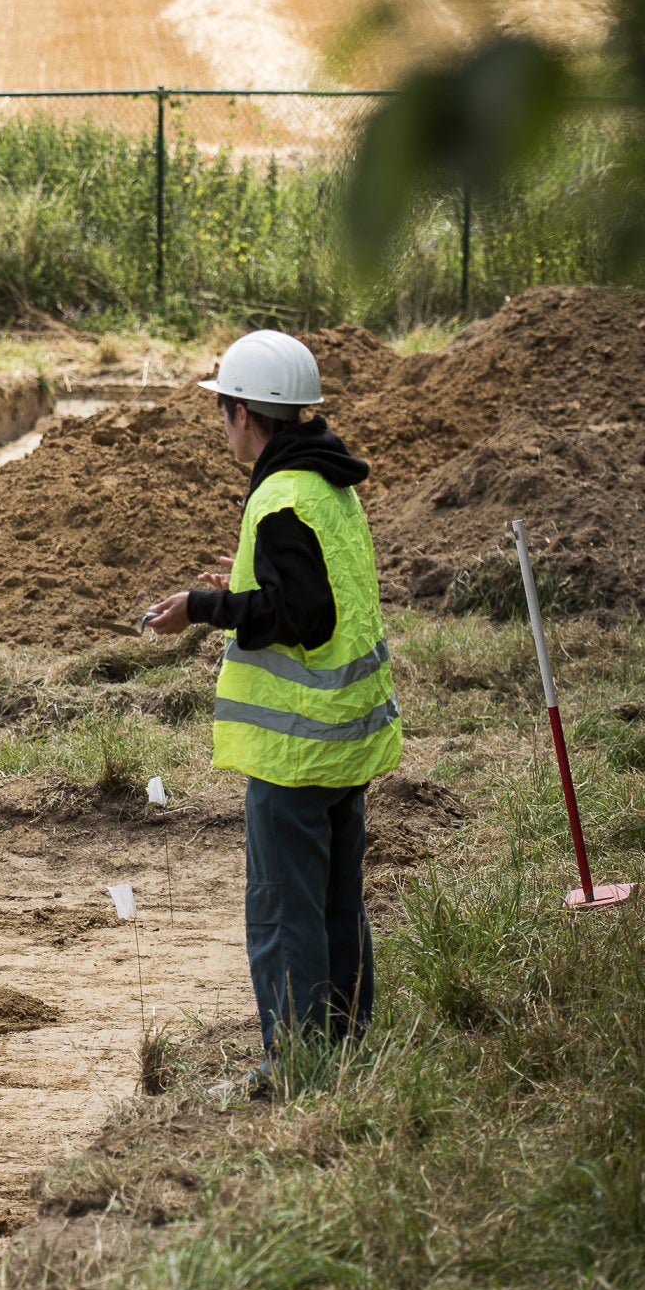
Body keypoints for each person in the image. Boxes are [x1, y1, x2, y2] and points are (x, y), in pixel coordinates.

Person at [145, 329, 401, 1087]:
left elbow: (306, 614)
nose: (222, 427)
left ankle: (295, 1067)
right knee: (334, 905)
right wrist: (248, 576)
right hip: (345, 743)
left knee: (284, 913)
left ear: (244, 416)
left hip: (299, 752)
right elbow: (315, 586)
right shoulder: (326, 483)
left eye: (223, 413)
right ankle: (346, 1047)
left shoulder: (282, 495)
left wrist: (205, 605)